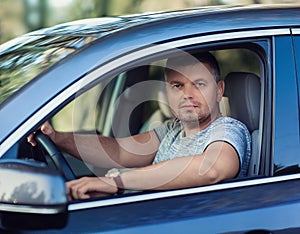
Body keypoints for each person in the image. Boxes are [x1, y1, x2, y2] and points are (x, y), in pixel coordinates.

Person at [28, 52, 251, 200]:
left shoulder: (229, 129)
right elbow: (118, 151)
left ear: (220, 90)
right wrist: (57, 137)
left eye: (199, 84)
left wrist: (116, 182)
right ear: (166, 92)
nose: (187, 95)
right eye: (177, 85)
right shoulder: (171, 129)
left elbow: (210, 169)